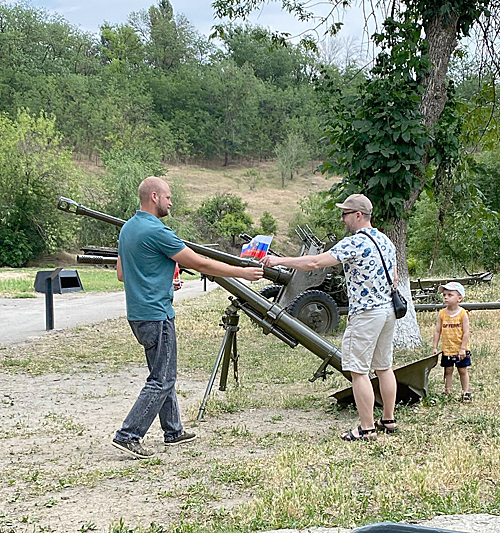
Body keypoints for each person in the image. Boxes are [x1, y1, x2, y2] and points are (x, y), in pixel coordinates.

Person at [113, 176, 264, 459]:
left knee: (163, 372)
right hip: (157, 314)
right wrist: (242, 272)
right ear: (155, 197)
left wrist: (161, 280)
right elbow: (200, 263)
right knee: (162, 378)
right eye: (168, 197)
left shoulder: (128, 228)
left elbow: (123, 274)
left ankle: (173, 431)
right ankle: (129, 434)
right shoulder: (158, 231)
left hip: (138, 314)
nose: (171, 202)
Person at [260, 193, 398, 441]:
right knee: (384, 367)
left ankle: (366, 428)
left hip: (366, 314)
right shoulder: (385, 240)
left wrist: (280, 260)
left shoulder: (354, 242)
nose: (342, 219)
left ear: (358, 215)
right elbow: (395, 277)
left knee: (359, 372)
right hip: (387, 311)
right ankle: (388, 420)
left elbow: (315, 262)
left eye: (345, 214)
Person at [432, 281, 472, 402]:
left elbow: (466, 332)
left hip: (460, 349)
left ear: (459, 298)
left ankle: (465, 391)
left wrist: (463, 348)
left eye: (450, 295)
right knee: (448, 370)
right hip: (447, 348)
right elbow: (437, 331)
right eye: (444, 295)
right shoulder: (442, 314)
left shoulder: (463, 314)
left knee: (462, 370)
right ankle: (447, 391)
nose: (446, 297)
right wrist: (435, 346)